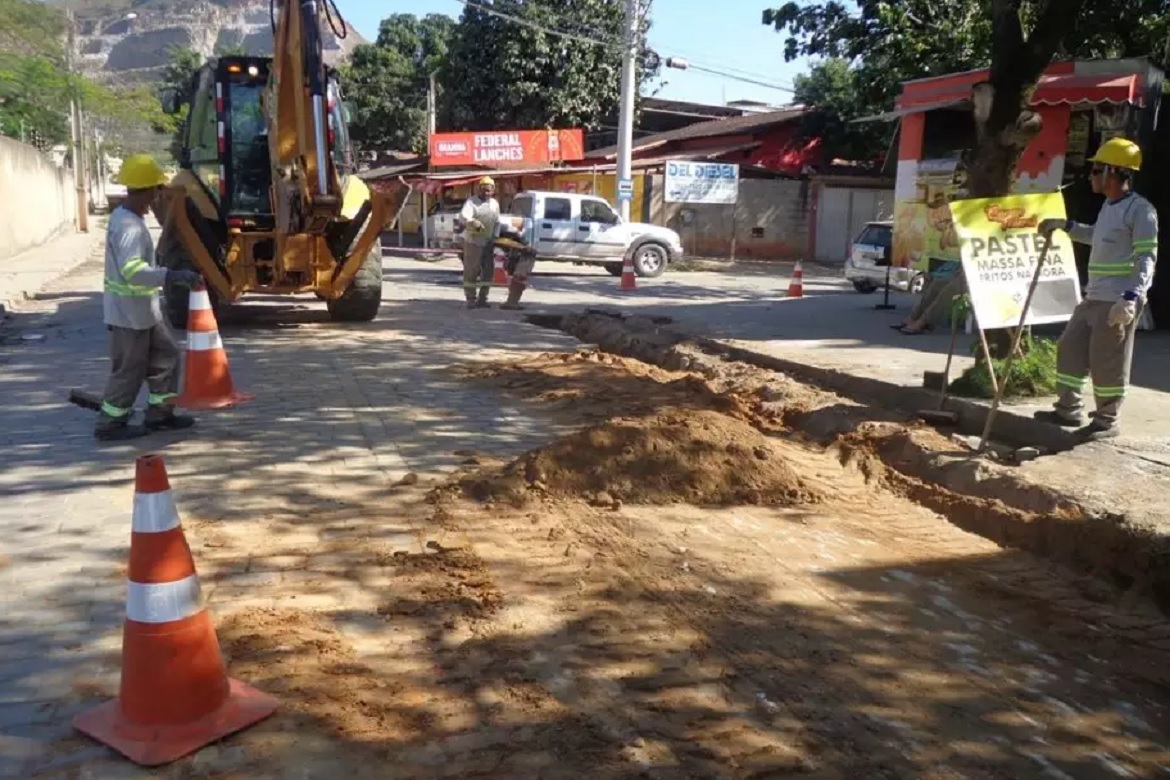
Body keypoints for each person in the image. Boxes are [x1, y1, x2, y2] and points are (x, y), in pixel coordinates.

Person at [1035, 137, 1158, 442]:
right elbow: (1100, 238)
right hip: (1093, 297)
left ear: (1113, 172)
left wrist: (1131, 298)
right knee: (1069, 348)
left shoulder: (1141, 211)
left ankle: (1106, 419)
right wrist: (1067, 226)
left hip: (1117, 300)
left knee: (1107, 360)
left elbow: (1147, 258)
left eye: (1096, 170)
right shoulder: (1109, 206)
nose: (1091, 176)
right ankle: (1068, 409)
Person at [95, 154, 203, 442]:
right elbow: (134, 272)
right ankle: (111, 422)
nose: (159, 195)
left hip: (145, 310)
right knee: (130, 368)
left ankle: (160, 414)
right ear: (147, 191)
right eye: (156, 189)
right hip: (128, 314)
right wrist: (171, 275)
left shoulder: (128, 219)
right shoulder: (129, 227)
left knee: (167, 355)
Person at [458, 176, 501, 308]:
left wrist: (495, 237)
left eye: (488, 190)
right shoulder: (472, 202)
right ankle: (471, 298)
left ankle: (483, 299)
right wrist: (472, 222)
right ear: (479, 189)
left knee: (488, 271)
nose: (486, 192)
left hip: (488, 242)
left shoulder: (494, 204)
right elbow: (464, 216)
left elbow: (497, 222)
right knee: (471, 270)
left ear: (493, 190)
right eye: (483, 190)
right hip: (473, 242)